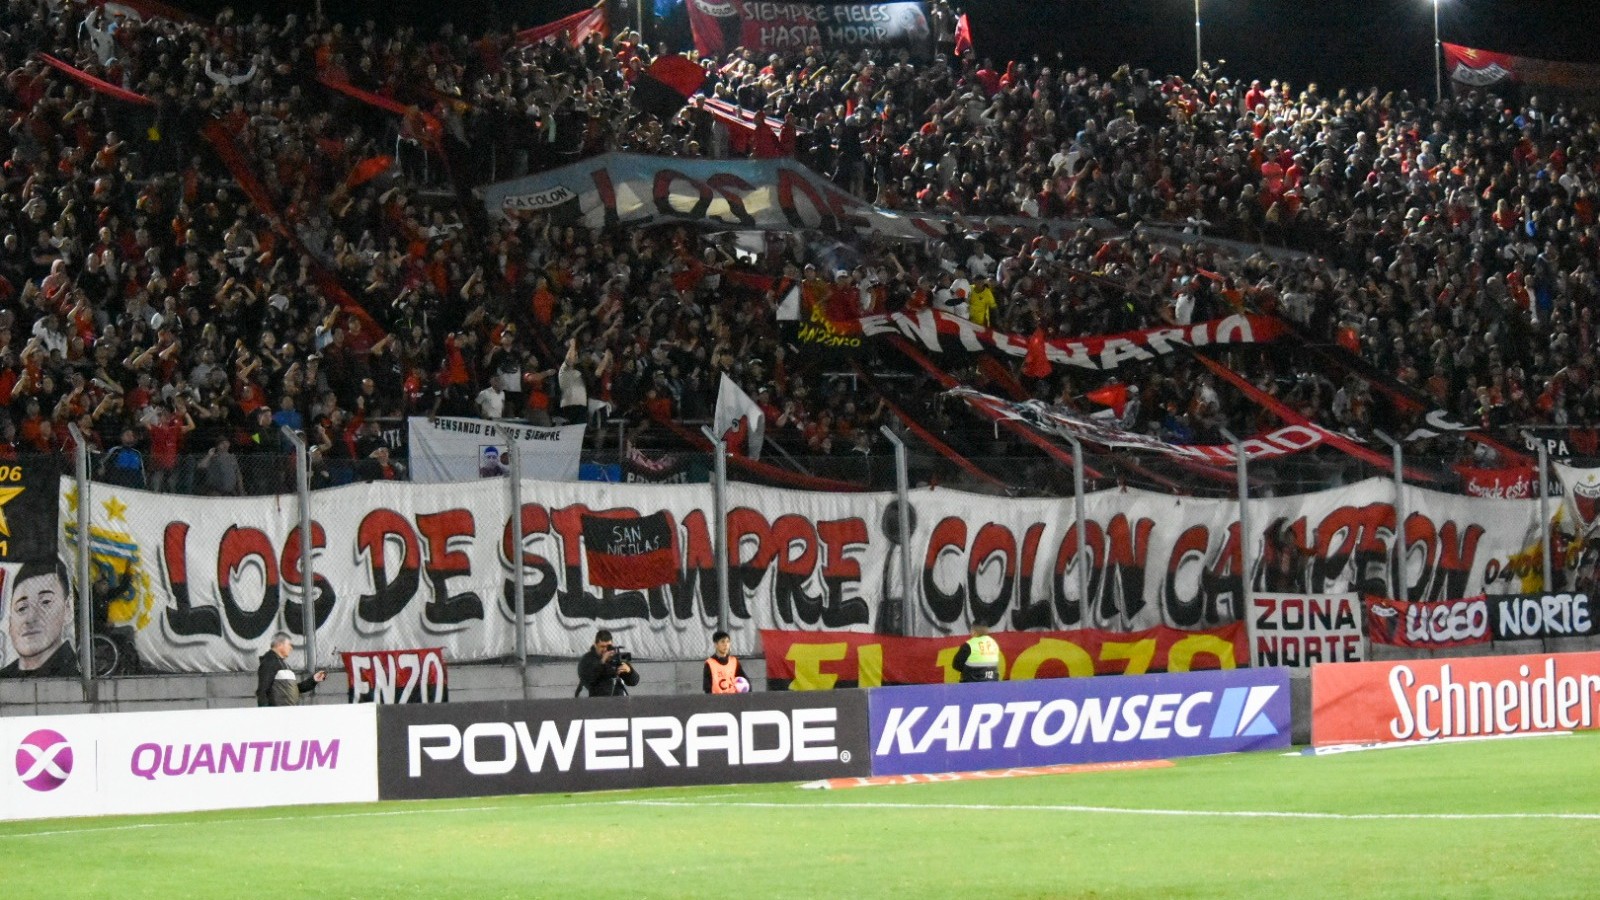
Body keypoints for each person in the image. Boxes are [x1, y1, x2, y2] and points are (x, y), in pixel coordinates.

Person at [0, 561, 78, 677]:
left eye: (45, 602)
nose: (30, 618)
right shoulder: (5, 676)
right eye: (22, 608)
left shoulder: (70, 674)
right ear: (10, 623)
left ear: (67, 610)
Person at [256, 632, 326, 706]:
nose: (291, 648)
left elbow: (294, 689)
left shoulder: (283, 664)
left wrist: (313, 680)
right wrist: (265, 714)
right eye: (289, 644)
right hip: (277, 715)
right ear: (280, 645)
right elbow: (262, 691)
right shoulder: (270, 662)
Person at [576, 628, 638, 697]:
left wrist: (629, 671)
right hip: (597, 700)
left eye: (608, 647)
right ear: (595, 645)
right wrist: (602, 662)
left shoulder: (615, 658)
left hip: (618, 701)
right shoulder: (587, 659)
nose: (605, 650)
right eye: (602, 646)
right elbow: (588, 679)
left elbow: (634, 682)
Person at [703, 630, 747, 694]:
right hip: (717, 700)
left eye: (728, 642)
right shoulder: (710, 663)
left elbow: (744, 678)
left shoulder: (733, 661)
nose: (726, 645)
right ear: (716, 644)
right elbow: (707, 687)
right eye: (722, 642)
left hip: (733, 698)